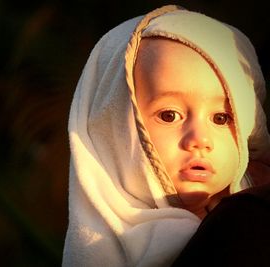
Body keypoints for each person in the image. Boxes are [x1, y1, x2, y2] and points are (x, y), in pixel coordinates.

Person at [62, 4, 270, 267]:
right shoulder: (100, 248)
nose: (199, 140)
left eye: (221, 118)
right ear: (112, 129)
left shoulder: (255, 217)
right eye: (169, 115)